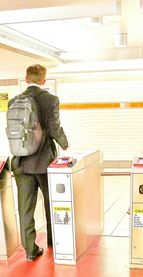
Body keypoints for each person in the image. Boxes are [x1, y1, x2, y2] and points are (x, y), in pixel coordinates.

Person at [8, 64, 68, 262]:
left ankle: (30, 251)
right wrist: (64, 144)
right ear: (43, 80)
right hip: (43, 162)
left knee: (25, 208)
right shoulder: (50, 100)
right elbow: (53, 127)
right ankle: (54, 241)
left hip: (20, 163)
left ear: (26, 79)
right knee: (52, 203)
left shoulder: (14, 101)